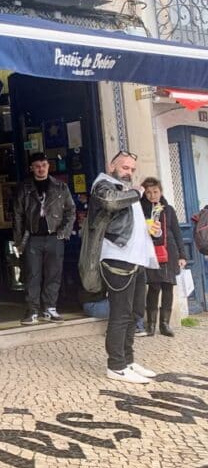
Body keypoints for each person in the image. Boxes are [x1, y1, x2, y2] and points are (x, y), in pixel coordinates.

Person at [79, 151, 159, 384]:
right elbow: (110, 202)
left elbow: (128, 222)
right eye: (125, 167)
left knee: (135, 312)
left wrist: (149, 229)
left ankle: (128, 360)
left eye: (132, 169)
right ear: (111, 166)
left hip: (136, 258)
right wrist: (137, 192)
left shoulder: (125, 189)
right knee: (121, 313)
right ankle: (116, 365)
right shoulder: (103, 184)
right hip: (117, 258)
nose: (129, 172)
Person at [13, 152, 76, 325]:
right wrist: (19, 240)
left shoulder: (60, 187)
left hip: (54, 236)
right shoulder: (24, 188)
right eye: (37, 166)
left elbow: (71, 210)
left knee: (53, 274)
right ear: (31, 168)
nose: (41, 169)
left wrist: (63, 233)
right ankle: (32, 310)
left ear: (48, 166)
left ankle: (50, 308)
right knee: (32, 274)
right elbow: (17, 215)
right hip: (32, 237)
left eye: (44, 165)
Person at [139, 177, 186, 338]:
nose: (152, 195)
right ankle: (151, 325)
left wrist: (182, 254)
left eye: (155, 191)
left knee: (168, 287)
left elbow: (177, 232)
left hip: (169, 252)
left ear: (161, 191)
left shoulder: (169, 209)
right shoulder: (140, 209)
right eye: (148, 192)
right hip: (151, 252)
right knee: (154, 287)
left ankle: (164, 324)